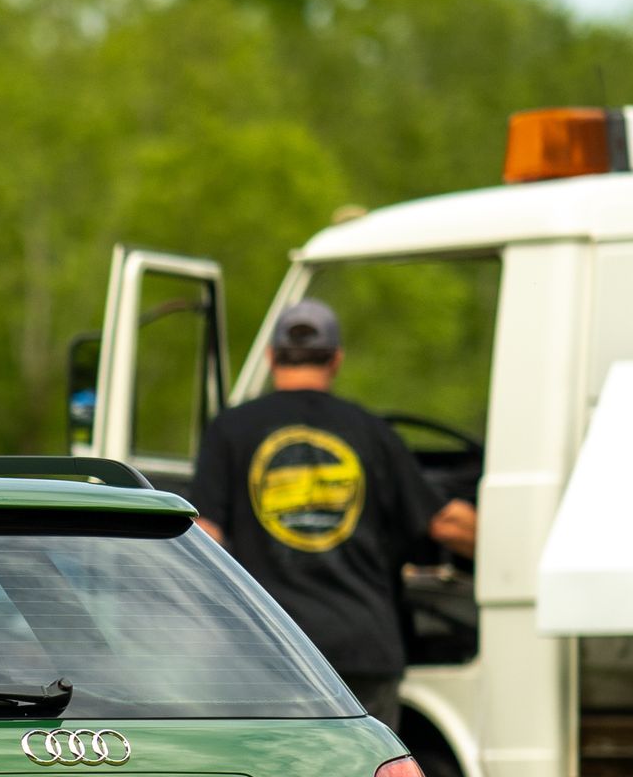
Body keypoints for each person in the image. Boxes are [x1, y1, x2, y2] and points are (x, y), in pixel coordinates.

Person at [191, 295, 477, 729]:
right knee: (366, 771)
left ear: (271, 357)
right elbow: (446, 523)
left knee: (277, 770)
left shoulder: (230, 429)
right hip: (361, 649)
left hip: (269, 651)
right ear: (336, 360)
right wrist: (524, 553)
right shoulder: (372, 431)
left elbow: (204, 535)